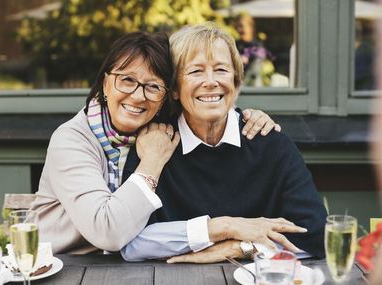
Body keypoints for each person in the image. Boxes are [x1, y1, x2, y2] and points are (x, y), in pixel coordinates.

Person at [30, 31, 280, 254]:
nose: (138, 96)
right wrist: (151, 162)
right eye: (126, 80)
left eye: (153, 86)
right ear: (106, 83)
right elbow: (107, 231)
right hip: (59, 265)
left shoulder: (162, 129)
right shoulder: (72, 140)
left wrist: (246, 116)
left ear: (165, 96)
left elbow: (205, 101)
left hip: (130, 266)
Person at [121, 22, 327, 263]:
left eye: (221, 70)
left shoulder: (271, 144)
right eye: (196, 71)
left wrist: (239, 248)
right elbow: (130, 241)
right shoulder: (155, 144)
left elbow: (316, 234)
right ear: (174, 89)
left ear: (236, 84)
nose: (210, 81)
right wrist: (223, 228)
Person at [235, 14, 275, 87]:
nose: (239, 30)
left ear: (251, 28)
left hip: (252, 87)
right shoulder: (235, 45)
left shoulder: (258, 47)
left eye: (242, 26)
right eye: (238, 26)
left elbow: (254, 70)